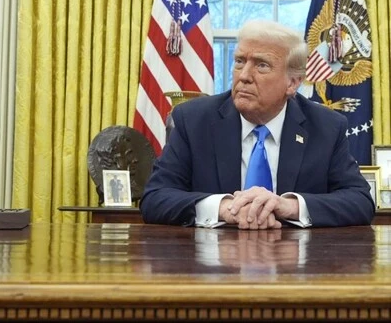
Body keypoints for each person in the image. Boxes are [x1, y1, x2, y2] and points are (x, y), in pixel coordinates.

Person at [140, 19, 374, 229]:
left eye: (262, 65)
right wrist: (225, 208)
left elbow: (360, 201)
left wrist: (288, 206)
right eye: (239, 61)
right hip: (212, 259)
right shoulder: (193, 120)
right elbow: (155, 198)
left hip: (296, 258)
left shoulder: (326, 127)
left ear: (292, 83)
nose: (244, 76)